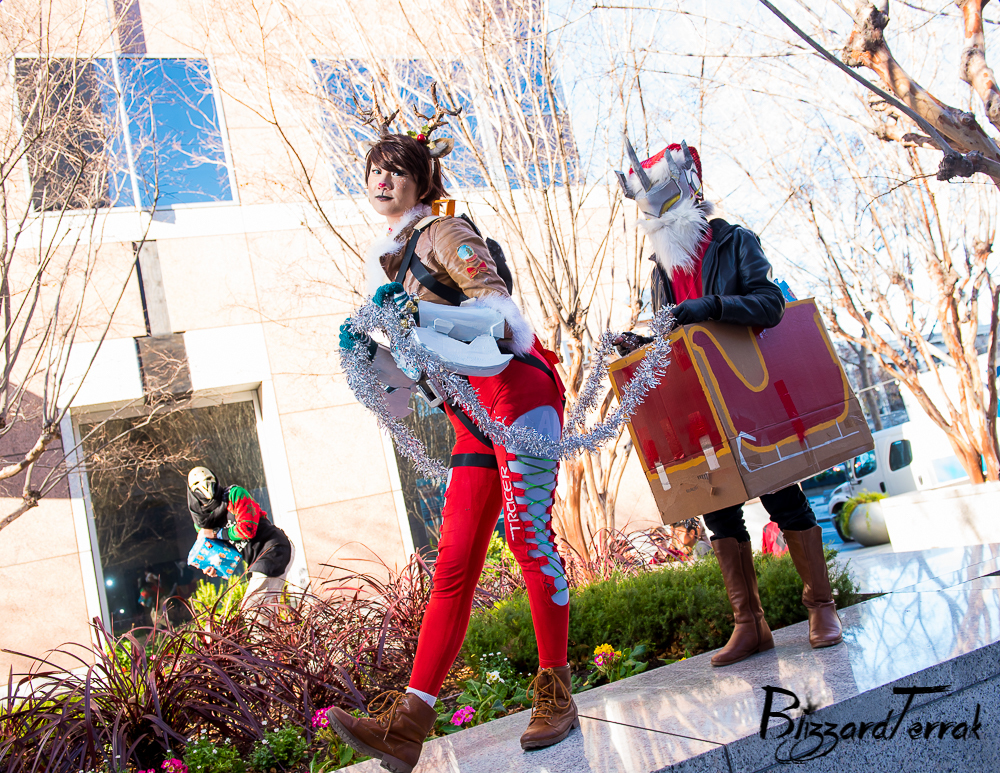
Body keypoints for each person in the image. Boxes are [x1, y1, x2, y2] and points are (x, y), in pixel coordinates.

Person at [328, 122, 576, 772]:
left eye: (396, 169)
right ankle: (408, 726)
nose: (382, 179)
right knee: (454, 564)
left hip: (518, 394)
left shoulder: (445, 231)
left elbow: (501, 317)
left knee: (528, 537)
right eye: (374, 170)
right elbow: (417, 373)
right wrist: (367, 355)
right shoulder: (388, 261)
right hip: (470, 417)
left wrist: (416, 316)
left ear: (421, 181)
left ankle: (556, 691)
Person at [614, 139, 843, 667]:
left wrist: (712, 306)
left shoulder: (735, 241)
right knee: (718, 509)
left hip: (750, 393)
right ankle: (750, 624)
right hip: (702, 407)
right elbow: (674, 335)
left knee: (783, 497)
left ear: (691, 193)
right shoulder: (660, 271)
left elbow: (770, 304)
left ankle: (821, 607)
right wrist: (640, 344)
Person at [186, 466, 294, 610]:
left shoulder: (234, 494)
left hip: (273, 548)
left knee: (253, 608)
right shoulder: (202, 523)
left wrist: (215, 533)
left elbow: (247, 529)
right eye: (197, 484)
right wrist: (212, 564)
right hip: (255, 559)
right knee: (266, 611)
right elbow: (221, 552)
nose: (205, 486)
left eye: (208, 479)